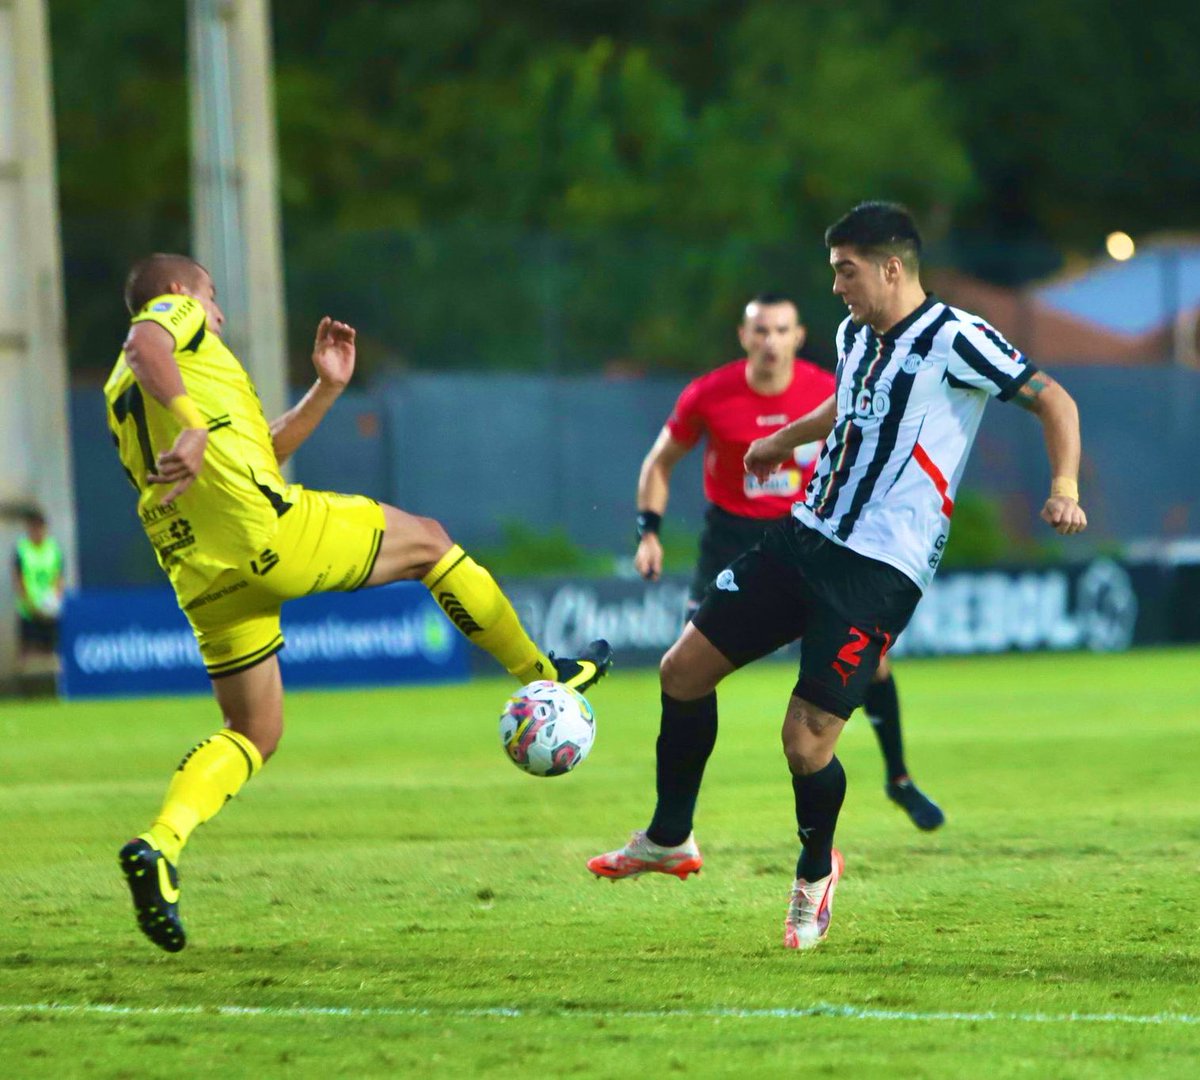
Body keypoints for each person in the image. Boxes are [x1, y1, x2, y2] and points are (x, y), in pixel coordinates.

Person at [589, 202, 1087, 949]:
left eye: (845, 271)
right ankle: (669, 837)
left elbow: (1053, 397)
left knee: (806, 741)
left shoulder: (956, 337)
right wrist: (778, 440)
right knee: (682, 670)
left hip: (881, 568)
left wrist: (1066, 486)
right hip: (804, 534)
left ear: (892, 268)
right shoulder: (856, 335)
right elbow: (847, 407)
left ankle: (815, 874)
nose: (836, 288)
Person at [107, 253, 611, 953]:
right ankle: (542, 677)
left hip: (201, 573)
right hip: (267, 536)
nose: (217, 313)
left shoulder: (124, 390)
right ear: (176, 293)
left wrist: (324, 390)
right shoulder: (168, 325)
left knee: (254, 730)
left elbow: (254, 453)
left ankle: (160, 845)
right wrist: (192, 422)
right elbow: (145, 341)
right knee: (431, 542)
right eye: (213, 296)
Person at [633, 293, 944, 830]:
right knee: (687, 669)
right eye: (760, 331)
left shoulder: (829, 387)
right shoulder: (710, 393)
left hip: (810, 538)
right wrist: (649, 533)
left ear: (798, 336)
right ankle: (675, 824)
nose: (770, 341)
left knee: (874, 667)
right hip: (731, 539)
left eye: (781, 330)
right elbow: (659, 462)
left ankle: (899, 779)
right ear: (744, 335)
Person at [12, 508, 64, 666]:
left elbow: (58, 578)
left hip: (48, 609)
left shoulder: (53, 549)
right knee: (28, 652)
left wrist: (53, 599)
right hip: (28, 610)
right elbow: (18, 578)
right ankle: (27, 686)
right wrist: (29, 603)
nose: (37, 532)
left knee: (50, 651)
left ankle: (51, 686)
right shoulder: (22, 549)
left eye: (40, 528)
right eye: (33, 528)